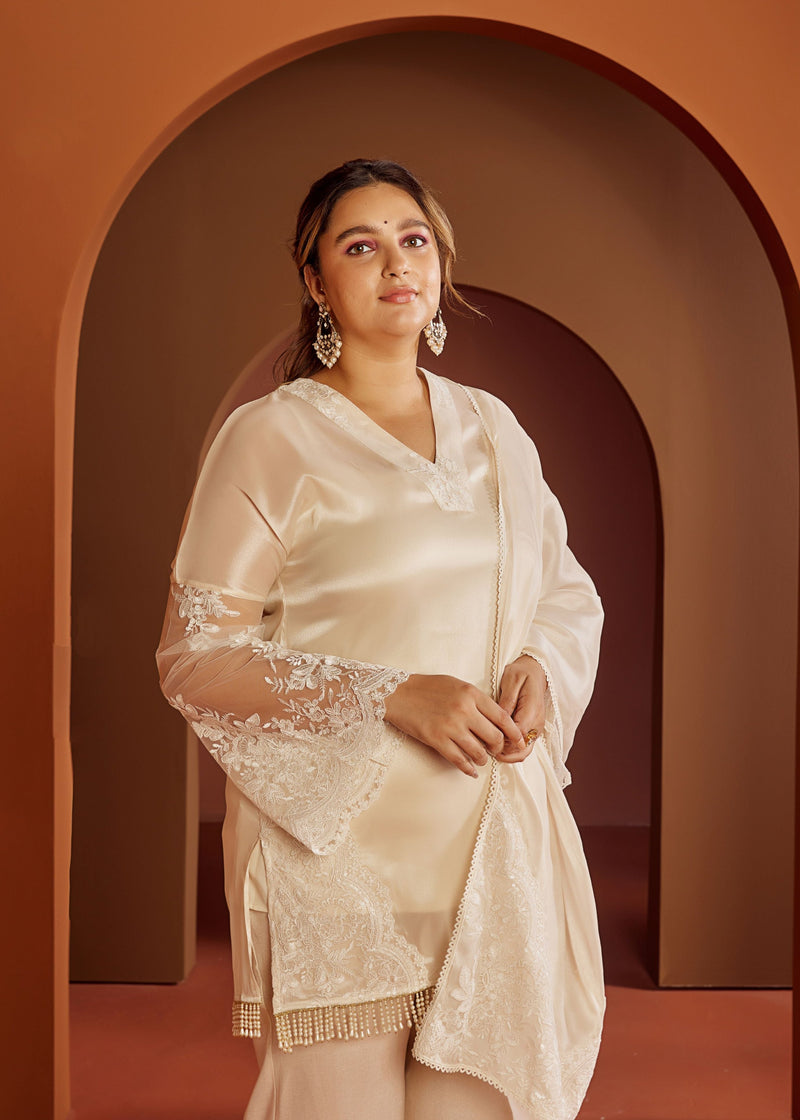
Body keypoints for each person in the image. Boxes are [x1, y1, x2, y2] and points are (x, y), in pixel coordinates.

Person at [155, 158, 605, 1120]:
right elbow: (195, 656)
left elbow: (561, 589)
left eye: (414, 240)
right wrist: (394, 694)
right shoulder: (270, 437)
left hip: (489, 845)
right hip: (338, 859)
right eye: (360, 246)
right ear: (316, 281)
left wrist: (538, 664)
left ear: (440, 264)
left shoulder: (495, 430)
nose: (397, 263)